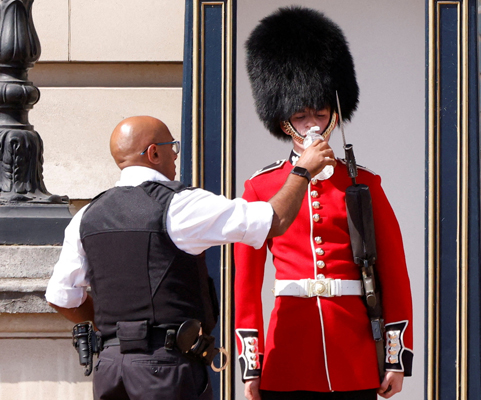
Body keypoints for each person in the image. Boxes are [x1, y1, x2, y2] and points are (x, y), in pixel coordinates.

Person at [45, 115, 335, 400]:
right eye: (173, 147)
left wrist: (119, 331)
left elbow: (61, 297)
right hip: (166, 369)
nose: (175, 156)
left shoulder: (86, 216)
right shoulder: (179, 205)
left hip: (110, 369)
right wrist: (302, 170)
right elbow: (275, 220)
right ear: (153, 152)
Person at [235, 7, 413, 400]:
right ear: (285, 122)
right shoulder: (260, 187)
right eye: (302, 116)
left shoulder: (362, 182)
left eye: (320, 112)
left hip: (353, 351)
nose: (312, 123)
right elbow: (246, 286)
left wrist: (394, 356)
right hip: (289, 350)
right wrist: (253, 361)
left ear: (334, 115)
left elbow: (394, 273)